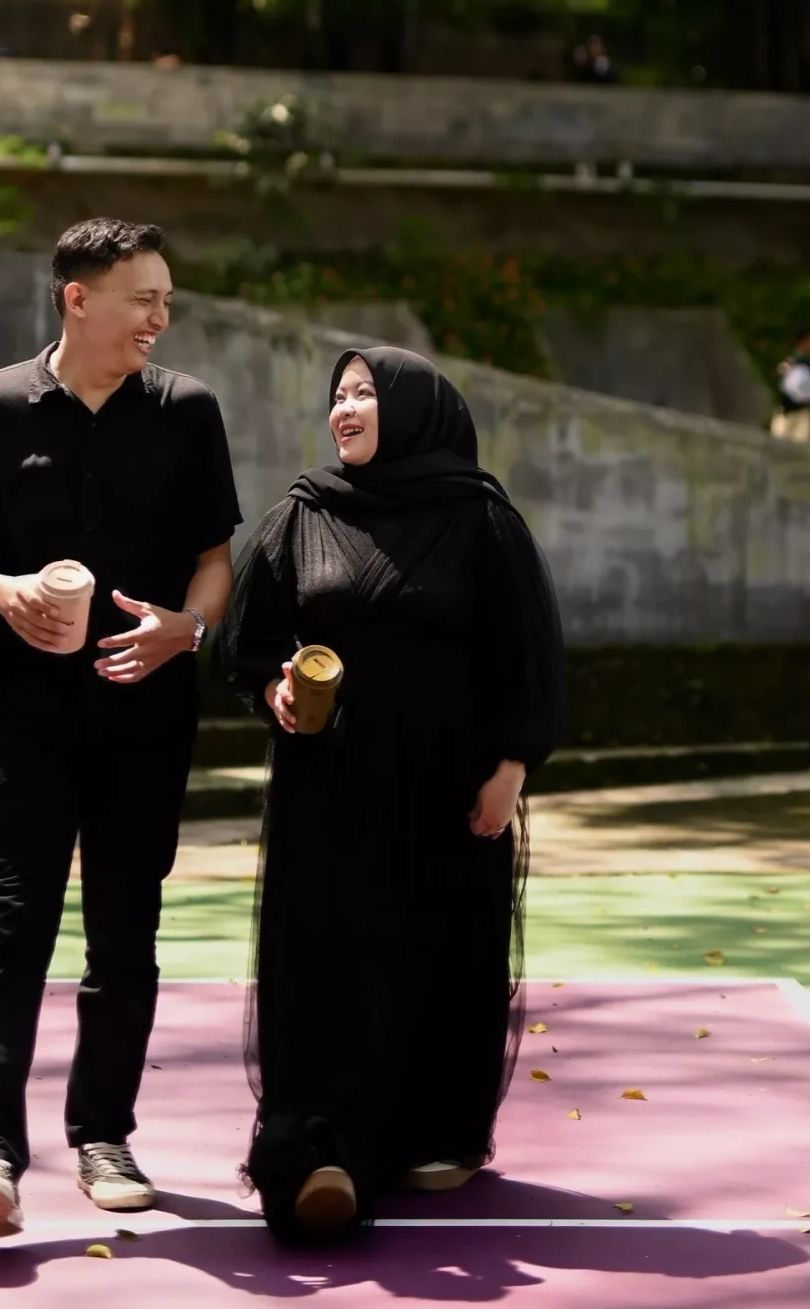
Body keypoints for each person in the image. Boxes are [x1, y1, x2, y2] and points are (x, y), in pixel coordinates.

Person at [0, 218, 241, 1242]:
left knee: (125, 932)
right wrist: (7, 591)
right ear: (78, 296)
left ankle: (103, 1137)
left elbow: (214, 561)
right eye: (143, 298)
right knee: (11, 930)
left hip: (146, 719)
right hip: (19, 718)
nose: (160, 317)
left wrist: (187, 631)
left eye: (166, 300)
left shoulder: (189, 411)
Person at [218, 345, 565, 1245]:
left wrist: (510, 768)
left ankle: (433, 1131)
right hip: (328, 788)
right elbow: (246, 644)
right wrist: (276, 690)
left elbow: (526, 653)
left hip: (449, 790)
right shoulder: (302, 512)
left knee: (442, 952)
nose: (343, 409)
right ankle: (318, 1148)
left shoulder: (481, 519)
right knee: (323, 960)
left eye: (363, 394)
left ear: (411, 410)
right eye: (336, 395)